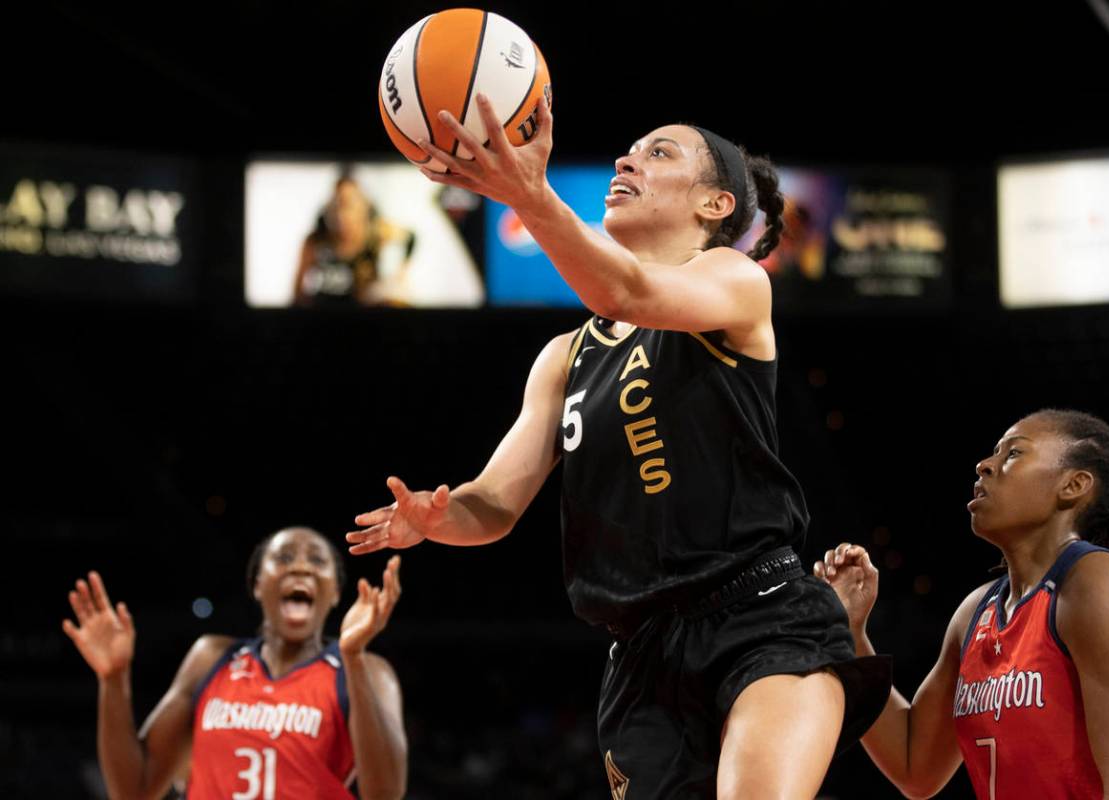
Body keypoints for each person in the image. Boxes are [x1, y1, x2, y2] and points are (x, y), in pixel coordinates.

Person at [346, 92, 890, 798]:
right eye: (630, 148)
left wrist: (530, 196)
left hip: (763, 616)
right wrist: (436, 518)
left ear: (716, 206)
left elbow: (628, 292)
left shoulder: (735, 281)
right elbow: (494, 504)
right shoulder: (563, 357)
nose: (626, 158)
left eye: (659, 152)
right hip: (643, 657)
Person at [814, 409, 1109, 799]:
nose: (984, 465)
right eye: (994, 453)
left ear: (1073, 485)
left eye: (1013, 454)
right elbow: (913, 764)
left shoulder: (1098, 584)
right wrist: (851, 633)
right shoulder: (976, 611)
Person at [63, 527, 407, 800]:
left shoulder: (366, 670)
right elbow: (133, 790)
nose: (301, 566)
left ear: (333, 592)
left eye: (317, 561)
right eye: (284, 557)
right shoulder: (212, 658)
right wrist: (113, 678)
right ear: (258, 584)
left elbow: (387, 792)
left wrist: (353, 656)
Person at [293, 172, 415, 307]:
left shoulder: (376, 232)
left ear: (363, 207)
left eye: (349, 205)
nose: (342, 214)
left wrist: (401, 273)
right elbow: (297, 290)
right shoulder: (316, 240)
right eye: (337, 204)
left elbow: (411, 237)